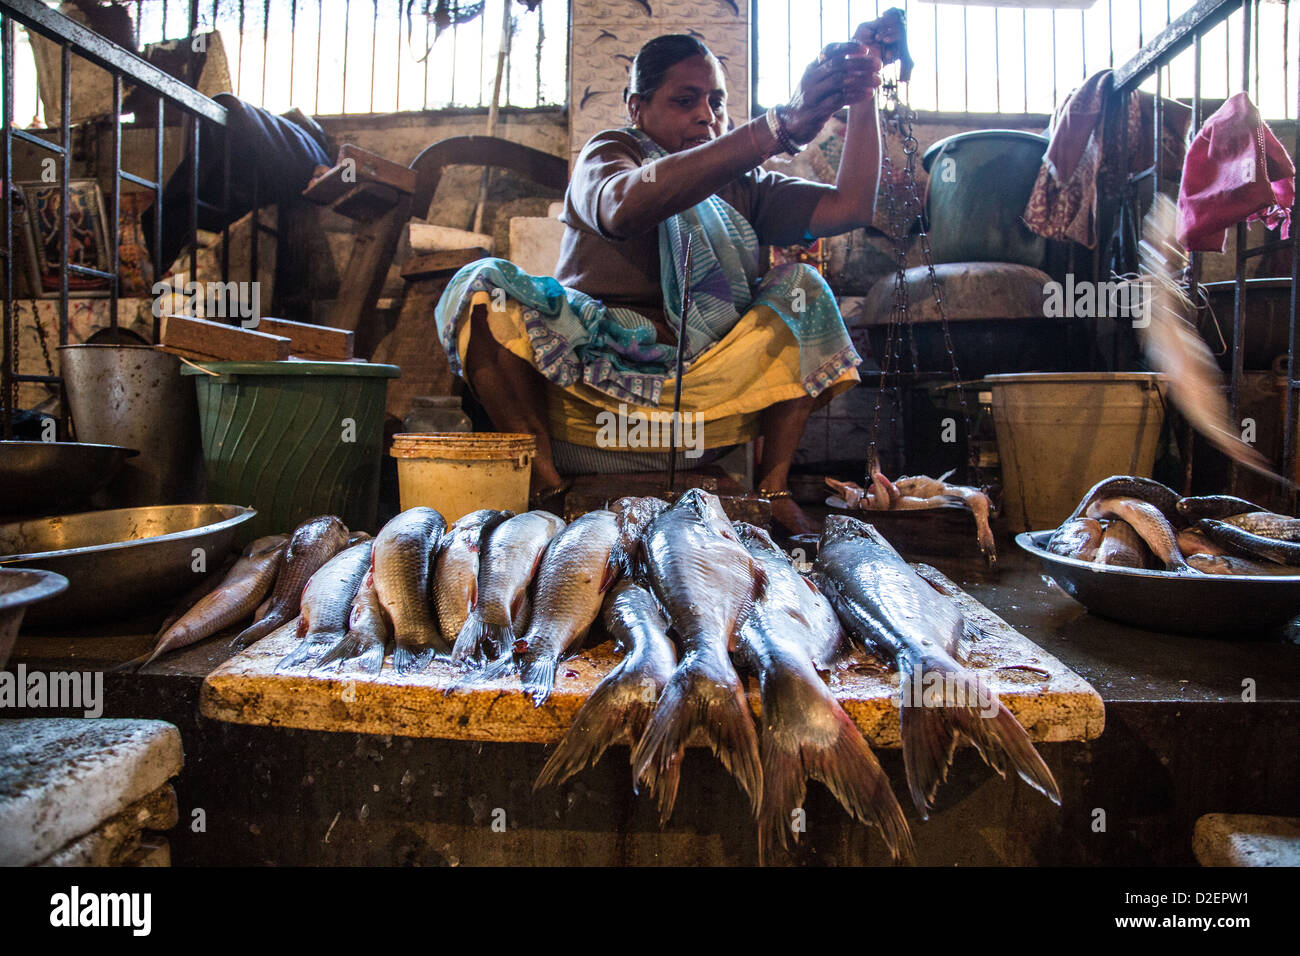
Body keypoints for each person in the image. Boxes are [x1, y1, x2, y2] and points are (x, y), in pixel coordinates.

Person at [434, 25, 889, 534]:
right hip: (591, 398)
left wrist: (862, 96)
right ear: (637, 109)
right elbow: (624, 208)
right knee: (483, 291)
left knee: (804, 288)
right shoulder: (609, 154)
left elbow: (851, 204)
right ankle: (546, 486)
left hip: (705, 402)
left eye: (716, 102)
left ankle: (774, 487)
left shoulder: (743, 185)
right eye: (685, 100)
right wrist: (776, 128)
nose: (706, 115)